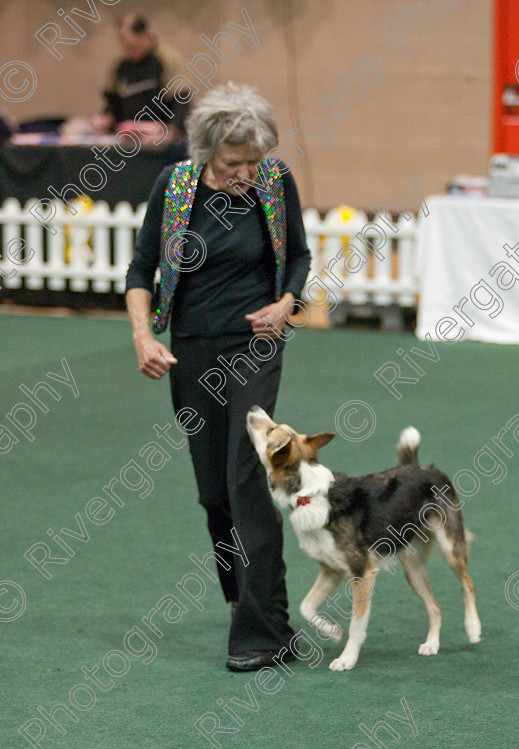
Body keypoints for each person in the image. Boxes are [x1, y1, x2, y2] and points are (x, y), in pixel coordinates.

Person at [125, 82, 311, 671]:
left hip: (256, 346)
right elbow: (140, 266)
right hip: (190, 351)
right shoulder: (174, 188)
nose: (245, 173)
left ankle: (263, 634)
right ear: (207, 153)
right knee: (213, 492)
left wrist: (286, 305)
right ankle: (245, 603)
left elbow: (300, 257)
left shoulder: (275, 183)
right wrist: (142, 335)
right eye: (234, 163)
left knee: (246, 478)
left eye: (254, 161)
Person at [91, 14, 189, 135]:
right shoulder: (121, 66)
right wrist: (105, 119)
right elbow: (112, 102)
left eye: (134, 47)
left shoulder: (166, 60)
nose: (130, 53)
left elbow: (181, 101)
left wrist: (171, 131)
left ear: (146, 37)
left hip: (157, 137)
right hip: (127, 135)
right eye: (126, 48)